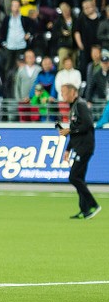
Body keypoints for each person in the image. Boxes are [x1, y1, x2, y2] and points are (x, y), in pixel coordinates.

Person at [58, 84, 102, 220]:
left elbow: (88, 124)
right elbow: (76, 127)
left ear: (73, 92)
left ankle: (93, 204)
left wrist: (69, 131)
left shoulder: (81, 105)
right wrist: (67, 149)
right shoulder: (74, 106)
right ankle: (85, 210)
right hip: (79, 146)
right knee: (79, 178)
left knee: (74, 177)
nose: (63, 95)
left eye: (64, 92)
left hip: (85, 147)